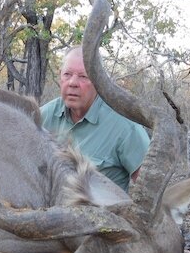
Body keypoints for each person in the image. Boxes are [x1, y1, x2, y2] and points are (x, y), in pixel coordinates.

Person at [40, 46, 150, 191]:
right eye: (67, 74)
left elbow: (149, 189)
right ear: (60, 77)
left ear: (99, 81)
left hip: (100, 212)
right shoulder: (43, 116)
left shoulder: (125, 126)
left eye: (83, 76)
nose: (73, 82)